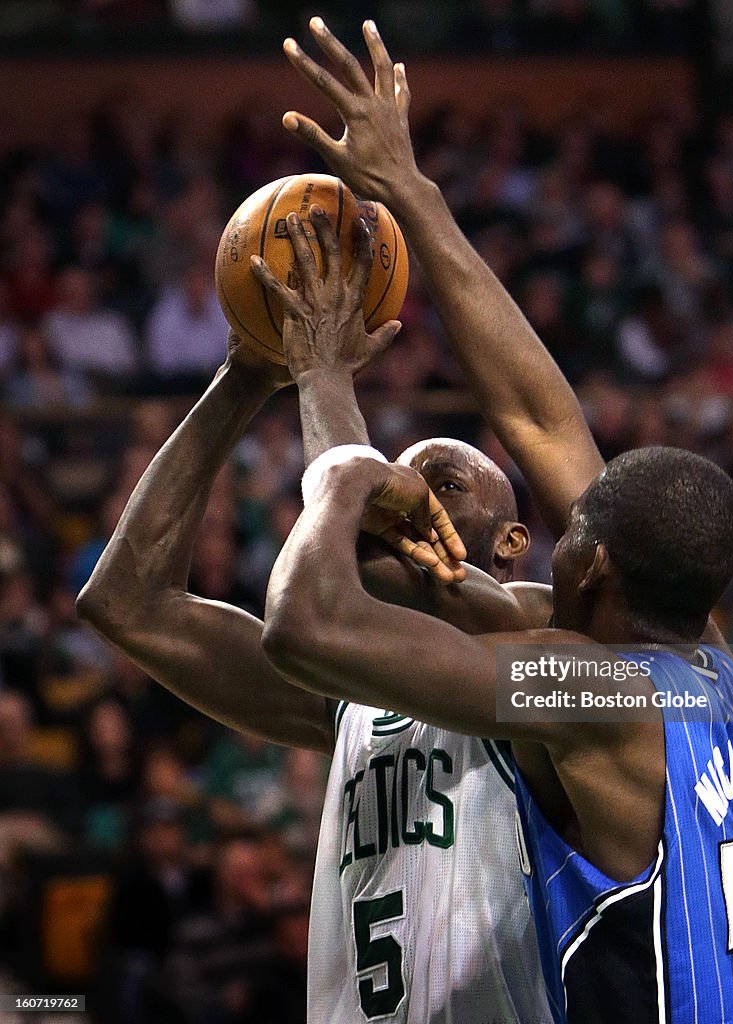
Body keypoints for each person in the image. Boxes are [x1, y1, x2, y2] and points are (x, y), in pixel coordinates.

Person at [264, 18, 733, 1022]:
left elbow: (306, 627)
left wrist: (335, 431)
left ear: (588, 568)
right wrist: (410, 192)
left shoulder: (588, 691)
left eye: (569, 531)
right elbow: (543, 420)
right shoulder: (712, 668)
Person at [76, 214, 553, 1023]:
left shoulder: (542, 640)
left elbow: (366, 568)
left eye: (440, 484)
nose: (402, 498)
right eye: (391, 486)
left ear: (511, 539)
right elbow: (125, 602)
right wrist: (246, 376)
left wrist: (323, 373)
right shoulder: (346, 699)